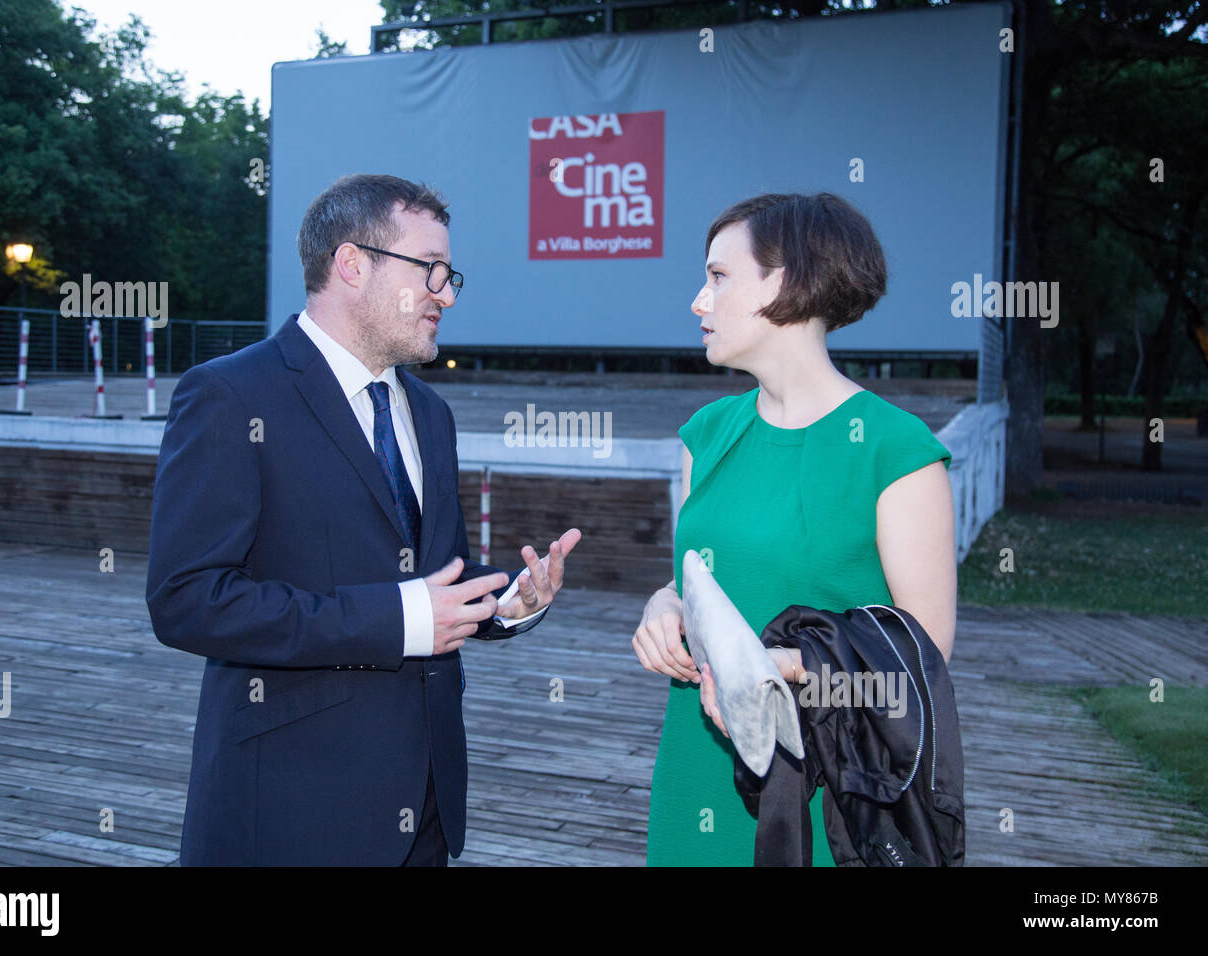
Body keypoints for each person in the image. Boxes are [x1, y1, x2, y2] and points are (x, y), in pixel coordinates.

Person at [146, 173, 581, 866]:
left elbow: (434, 575)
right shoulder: (230, 395)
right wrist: (399, 619)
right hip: (290, 816)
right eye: (429, 269)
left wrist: (504, 603)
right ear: (352, 264)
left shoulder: (431, 413)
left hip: (426, 809)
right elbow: (187, 600)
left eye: (449, 275)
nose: (445, 293)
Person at [632, 192, 956, 867]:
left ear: (786, 282)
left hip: (825, 788)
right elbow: (703, 584)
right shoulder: (707, 435)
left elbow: (917, 670)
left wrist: (793, 670)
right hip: (693, 769)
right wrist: (664, 605)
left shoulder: (896, 452)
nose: (698, 300)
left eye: (719, 276)